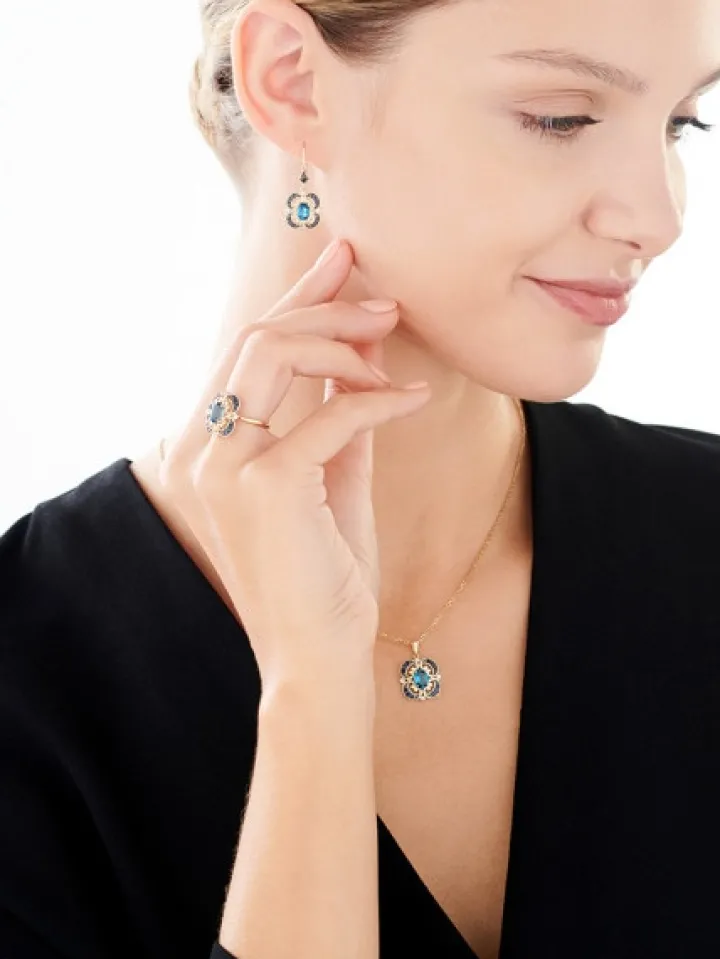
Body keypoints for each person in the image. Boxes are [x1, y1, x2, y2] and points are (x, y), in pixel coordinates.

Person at [2, 0, 720, 957]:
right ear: (292, 82)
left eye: (680, 123)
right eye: (562, 117)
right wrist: (314, 697)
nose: (659, 219)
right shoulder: (28, 670)